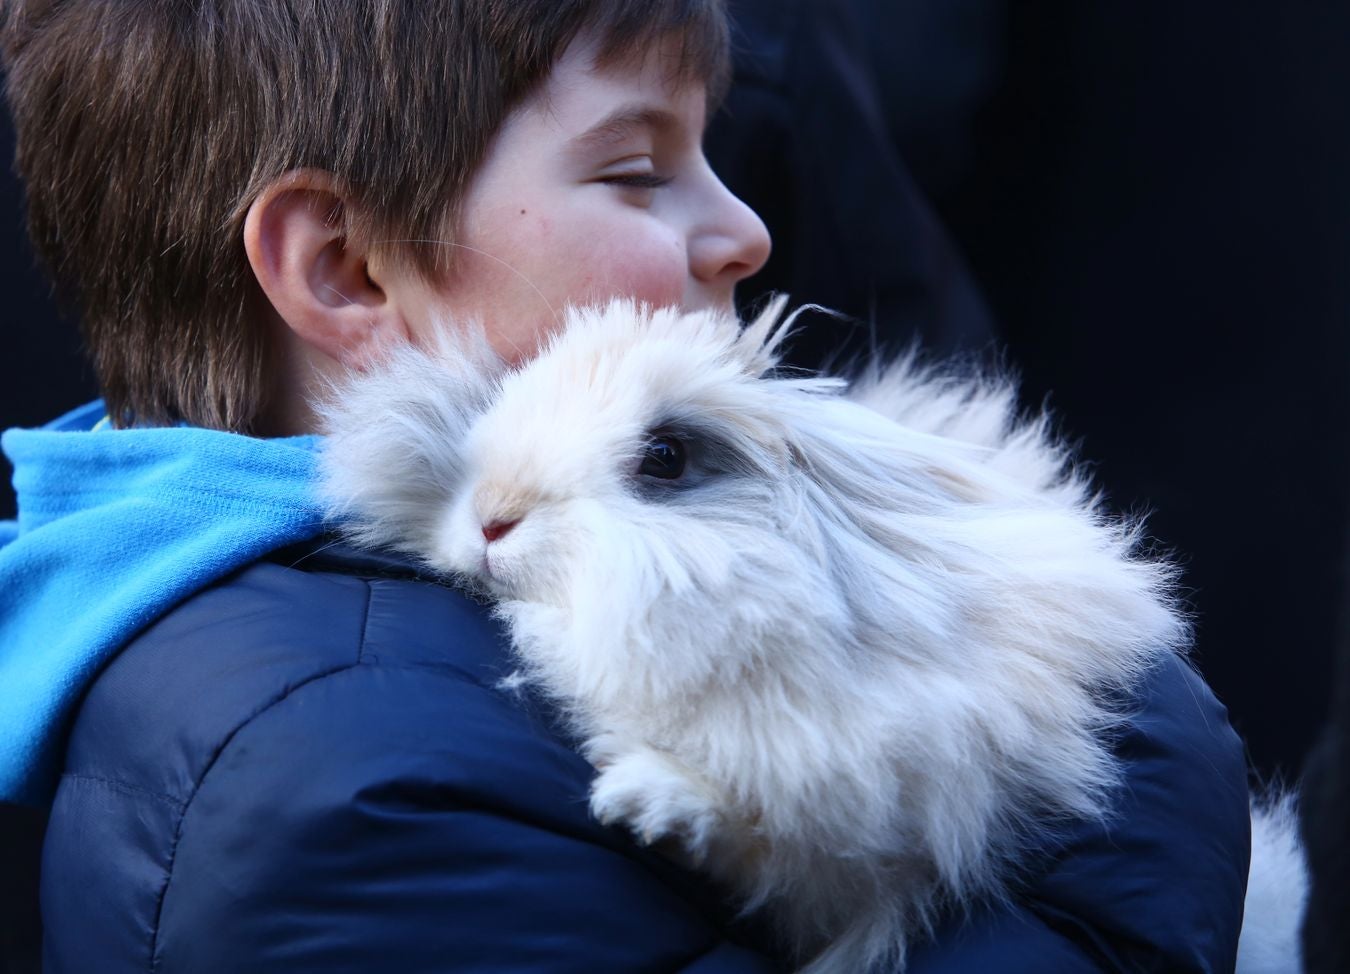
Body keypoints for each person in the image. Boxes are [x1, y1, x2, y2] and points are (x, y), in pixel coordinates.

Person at [0, 2, 1250, 971]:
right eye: (637, 171)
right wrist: (1142, 759)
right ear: (348, 272)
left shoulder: (357, 646)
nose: (747, 230)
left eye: (706, 151)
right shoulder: (352, 789)